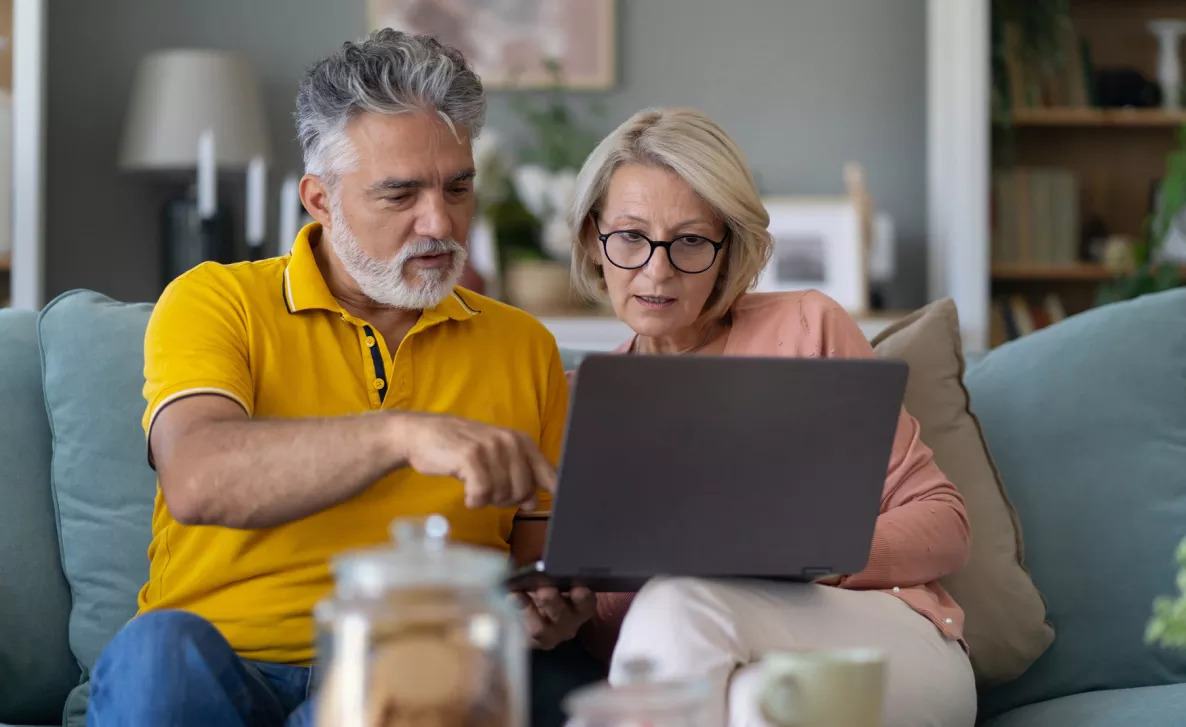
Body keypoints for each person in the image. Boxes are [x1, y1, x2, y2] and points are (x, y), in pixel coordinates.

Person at [86, 30, 602, 727]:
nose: (439, 221)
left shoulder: (523, 346)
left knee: (425, 671)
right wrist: (400, 434)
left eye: (458, 187)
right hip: (214, 663)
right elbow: (198, 478)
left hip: (404, 670)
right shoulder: (215, 300)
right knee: (157, 653)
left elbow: (536, 564)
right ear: (320, 200)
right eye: (400, 194)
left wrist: (547, 614)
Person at [565, 107, 977, 727]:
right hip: (722, 664)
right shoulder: (579, 402)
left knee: (679, 607)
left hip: (888, 640)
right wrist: (573, 615)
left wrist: (819, 555)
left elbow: (947, 525)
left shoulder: (807, 327)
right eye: (629, 236)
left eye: (690, 241)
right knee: (754, 703)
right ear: (593, 242)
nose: (657, 269)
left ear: (729, 248)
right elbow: (620, 644)